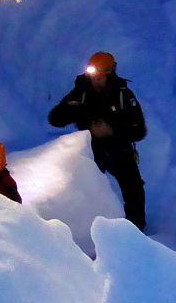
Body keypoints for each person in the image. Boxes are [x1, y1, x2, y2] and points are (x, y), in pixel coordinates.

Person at [47, 50, 147, 230]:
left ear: (110, 75)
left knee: (133, 187)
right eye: (94, 76)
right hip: (90, 150)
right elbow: (55, 119)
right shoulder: (82, 92)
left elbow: (139, 130)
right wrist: (73, 109)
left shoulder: (124, 95)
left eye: (101, 77)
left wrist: (112, 130)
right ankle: (83, 227)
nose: (96, 81)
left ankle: (135, 230)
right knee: (81, 186)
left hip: (119, 149)